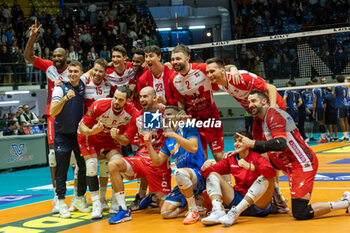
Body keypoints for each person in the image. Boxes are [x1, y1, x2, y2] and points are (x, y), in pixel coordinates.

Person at [236, 89, 350, 221]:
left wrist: (252, 143)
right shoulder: (259, 120)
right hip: (283, 159)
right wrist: (240, 151)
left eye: (254, 101)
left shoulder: (274, 114)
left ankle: (345, 202)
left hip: (301, 162)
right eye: (249, 102)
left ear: (264, 101)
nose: (250, 105)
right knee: (255, 160)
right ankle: (279, 202)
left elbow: (280, 144)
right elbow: (260, 148)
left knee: (300, 212)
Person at [205, 57, 288, 213]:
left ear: (222, 71)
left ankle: (278, 198)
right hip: (256, 115)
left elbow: (271, 88)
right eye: (207, 72)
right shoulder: (222, 83)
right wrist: (232, 66)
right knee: (258, 150)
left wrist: (273, 111)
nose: (209, 75)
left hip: (269, 110)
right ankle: (276, 197)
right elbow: (220, 66)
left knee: (271, 152)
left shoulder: (240, 78)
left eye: (212, 71)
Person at [24, 20, 78, 213]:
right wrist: (32, 37)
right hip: (53, 115)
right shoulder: (48, 67)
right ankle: (57, 196)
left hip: (73, 115)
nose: (56, 58)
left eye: (59, 55)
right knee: (54, 156)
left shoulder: (74, 70)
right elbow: (28, 56)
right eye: (54, 55)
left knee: (75, 158)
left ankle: (78, 195)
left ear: (66, 57)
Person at [107, 87, 171, 224]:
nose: (142, 99)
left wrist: (166, 106)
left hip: (159, 162)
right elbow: (126, 139)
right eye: (140, 97)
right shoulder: (137, 116)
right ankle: (123, 210)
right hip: (141, 159)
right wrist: (117, 136)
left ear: (154, 98)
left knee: (165, 211)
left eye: (145, 96)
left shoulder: (165, 112)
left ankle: (153, 197)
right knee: (113, 165)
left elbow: (182, 117)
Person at [77, 86, 136, 219]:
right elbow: (82, 126)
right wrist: (92, 131)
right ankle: (96, 205)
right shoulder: (100, 105)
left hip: (109, 136)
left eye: (120, 100)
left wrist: (117, 137)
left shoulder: (131, 112)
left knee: (117, 163)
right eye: (115, 98)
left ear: (127, 101)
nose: (116, 101)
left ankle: (117, 202)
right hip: (89, 135)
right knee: (91, 165)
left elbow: (126, 141)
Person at [144, 106, 206, 224]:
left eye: (170, 114)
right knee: (166, 213)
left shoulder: (188, 127)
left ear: (178, 116)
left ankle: (193, 210)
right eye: (165, 115)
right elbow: (157, 161)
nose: (166, 117)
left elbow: (193, 147)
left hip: (199, 173)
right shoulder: (168, 141)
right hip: (184, 179)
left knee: (178, 173)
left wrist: (175, 136)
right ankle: (194, 202)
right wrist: (148, 145)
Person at [200, 131, 275, 226]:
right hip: (236, 199)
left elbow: (271, 173)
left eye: (240, 141)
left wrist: (250, 166)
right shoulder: (231, 158)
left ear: (249, 143)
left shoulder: (257, 157)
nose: (237, 144)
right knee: (212, 174)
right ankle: (217, 211)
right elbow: (208, 173)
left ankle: (236, 212)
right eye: (235, 141)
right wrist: (204, 169)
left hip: (258, 204)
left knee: (266, 177)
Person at [170, 45, 224, 163]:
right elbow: (180, 100)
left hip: (210, 115)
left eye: (178, 58)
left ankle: (227, 182)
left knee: (218, 154)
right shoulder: (173, 78)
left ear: (187, 58)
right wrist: (181, 112)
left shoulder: (202, 68)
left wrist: (234, 68)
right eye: (173, 59)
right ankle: (203, 181)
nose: (175, 62)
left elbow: (221, 69)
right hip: (193, 119)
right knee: (200, 156)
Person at [50, 60, 88, 218]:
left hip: (78, 134)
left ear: (80, 73)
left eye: (76, 71)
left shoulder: (83, 84)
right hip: (63, 134)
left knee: (84, 167)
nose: (72, 74)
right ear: (67, 73)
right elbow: (52, 112)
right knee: (62, 169)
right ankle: (60, 202)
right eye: (70, 71)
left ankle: (79, 198)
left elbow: (92, 71)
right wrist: (65, 98)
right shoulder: (59, 89)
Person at [312, 78, 328, 143]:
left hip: (318, 107)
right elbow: (324, 98)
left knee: (320, 123)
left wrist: (313, 111)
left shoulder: (314, 89)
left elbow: (314, 100)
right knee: (321, 122)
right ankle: (324, 137)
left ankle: (323, 138)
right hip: (322, 106)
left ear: (312, 83)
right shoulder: (321, 88)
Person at [334, 75, 349, 142]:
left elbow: (334, 96)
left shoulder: (337, 87)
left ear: (337, 80)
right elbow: (347, 95)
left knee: (341, 120)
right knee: (346, 121)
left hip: (340, 105)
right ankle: (347, 136)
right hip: (346, 104)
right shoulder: (346, 86)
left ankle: (345, 137)